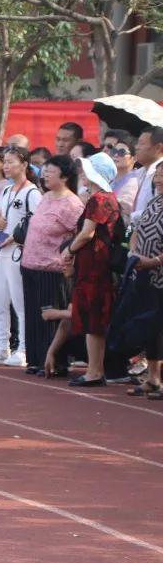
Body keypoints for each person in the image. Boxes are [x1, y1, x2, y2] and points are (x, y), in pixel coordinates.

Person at [20, 155, 83, 376]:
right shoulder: (46, 197)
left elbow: (80, 235)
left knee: (51, 316)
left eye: (51, 171)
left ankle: (56, 362)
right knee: (34, 315)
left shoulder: (73, 204)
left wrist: (70, 261)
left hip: (53, 269)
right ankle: (36, 360)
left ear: (65, 176)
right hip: (30, 264)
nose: (45, 174)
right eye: (44, 170)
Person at [63, 153, 121, 386]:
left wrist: (68, 251)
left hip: (94, 264)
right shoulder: (106, 197)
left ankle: (95, 371)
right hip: (96, 263)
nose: (82, 174)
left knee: (93, 316)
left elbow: (87, 233)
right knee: (93, 317)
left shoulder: (98, 199)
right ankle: (94, 368)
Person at [0, 147, 41, 367]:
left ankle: (23, 348)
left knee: (20, 302)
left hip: (18, 251)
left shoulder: (32, 193)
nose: (6, 166)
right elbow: (1, 220)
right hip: (0, 249)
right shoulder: (6, 191)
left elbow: (37, 223)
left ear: (24, 164)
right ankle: (2, 347)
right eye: (4, 162)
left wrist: (15, 237)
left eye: (11, 162)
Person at [127, 164, 163, 398]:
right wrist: (133, 253)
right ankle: (153, 378)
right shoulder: (154, 202)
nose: (159, 180)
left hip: (158, 273)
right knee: (151, 329)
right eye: (158, 175)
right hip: (145, 276)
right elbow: (137, 231)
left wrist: (153, 262)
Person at [131, 127, 163, 225]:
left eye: (141, 143)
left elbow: (158, 211)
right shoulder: (138, 173)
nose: (136, 147)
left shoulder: (159, 176)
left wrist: (131, 216)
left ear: (158, 148)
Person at [106, 134, 140, 220]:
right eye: (114, 151)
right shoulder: (109, 178)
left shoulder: (135, 182)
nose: (116, 155)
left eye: (121, 152)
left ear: (134, 158)